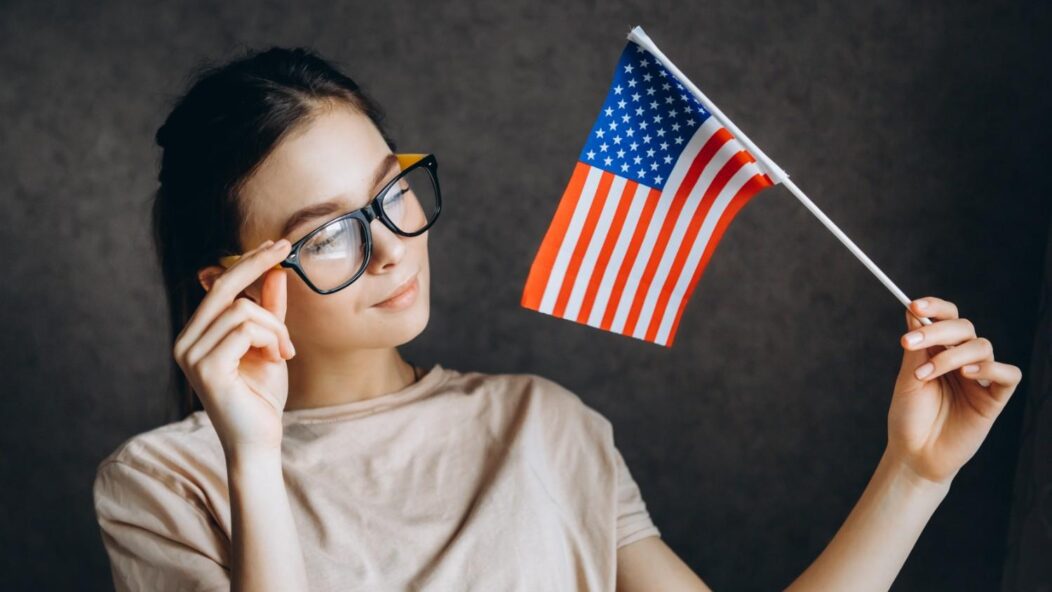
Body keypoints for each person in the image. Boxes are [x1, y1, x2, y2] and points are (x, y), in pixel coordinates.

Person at [92, 46, 1023, 592]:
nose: (390, 247)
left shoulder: (546, 423)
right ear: (234, 281)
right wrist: (252, 457)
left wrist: (916, 472)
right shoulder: (166, 483)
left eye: (393, 195)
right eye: (328, 235)